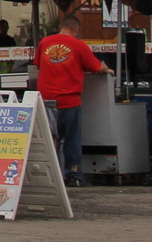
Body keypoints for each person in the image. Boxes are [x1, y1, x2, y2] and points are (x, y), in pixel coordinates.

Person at [35, 13, 106, 186]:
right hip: (69, 100)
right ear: (76, 29)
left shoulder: (44, 42)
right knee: (71, 141)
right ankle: (73, 176)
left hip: (46, 99)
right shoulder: (79, 45)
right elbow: (96, 67)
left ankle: (48, 177)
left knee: (50, 140)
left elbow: (38, 64)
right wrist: (107, 68)